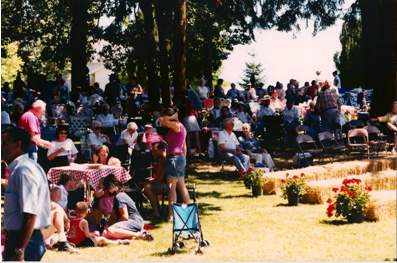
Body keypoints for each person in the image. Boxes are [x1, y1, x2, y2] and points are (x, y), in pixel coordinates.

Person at [2, 127, 51, 261]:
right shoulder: (23, 168)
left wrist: (19, 250)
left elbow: (30, 214)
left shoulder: (24, 171)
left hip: (24, 241)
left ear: (18, 145)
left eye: (4, 143)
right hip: (23, 240)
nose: (1, 147)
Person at [158, 108, 190, 222]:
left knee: (171, 188)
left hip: (174, 158)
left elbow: (161, 119)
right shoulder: (180, 127)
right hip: (179, 157)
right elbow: (184, 146)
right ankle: (189, 211)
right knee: (181, 186)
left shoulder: (176, 125)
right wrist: (184, 160)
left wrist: (174, 116)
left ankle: (171, 215)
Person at [102, 174, 153, 241]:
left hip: (134, 221)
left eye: (105, 188)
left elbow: (124, 217)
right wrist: (108, 224)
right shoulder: (117, 197)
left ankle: (139, 235)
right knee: (105, 232)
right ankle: (132, 234)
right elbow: (113, 215)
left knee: (108, 232)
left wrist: (112, 225)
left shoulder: (119, 197)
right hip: (134, 221)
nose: (104, 191)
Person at [143, 141, 168, 218]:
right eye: (152, 150)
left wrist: (150, 181)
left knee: (147, 187)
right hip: (166, 184)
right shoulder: (162, 159)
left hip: (169, 186)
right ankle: (158, 209)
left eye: (155, 150)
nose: (153, 153)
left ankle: (156, 212)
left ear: (162, 150)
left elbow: (159, 179)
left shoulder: (164, 159)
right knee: (150, 185)